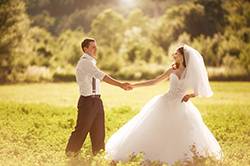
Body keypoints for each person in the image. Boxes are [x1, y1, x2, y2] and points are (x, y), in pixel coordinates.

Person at [106, 44, 222, 165]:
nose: (174, 55)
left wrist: (190, 95)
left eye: (176, 53)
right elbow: (154, 81)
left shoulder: (191, 72)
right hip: (165, 103)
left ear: (183, 56)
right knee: (154, 128)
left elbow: (200, 89)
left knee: (182, 131)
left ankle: (186, 157)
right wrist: (134, 85)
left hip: (180, 106)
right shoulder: (172, 69)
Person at [65, 37, 132, 157]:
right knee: (81, 130)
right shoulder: (85, 62)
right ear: (85, 49)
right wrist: (120, 84)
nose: (96, 49)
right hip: (87, 102)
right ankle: (70, 154)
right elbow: (102, 76)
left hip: (96, 101)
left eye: (96, 47)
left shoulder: (91, 62)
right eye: (93, 47)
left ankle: (98, 155)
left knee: (99, 131)